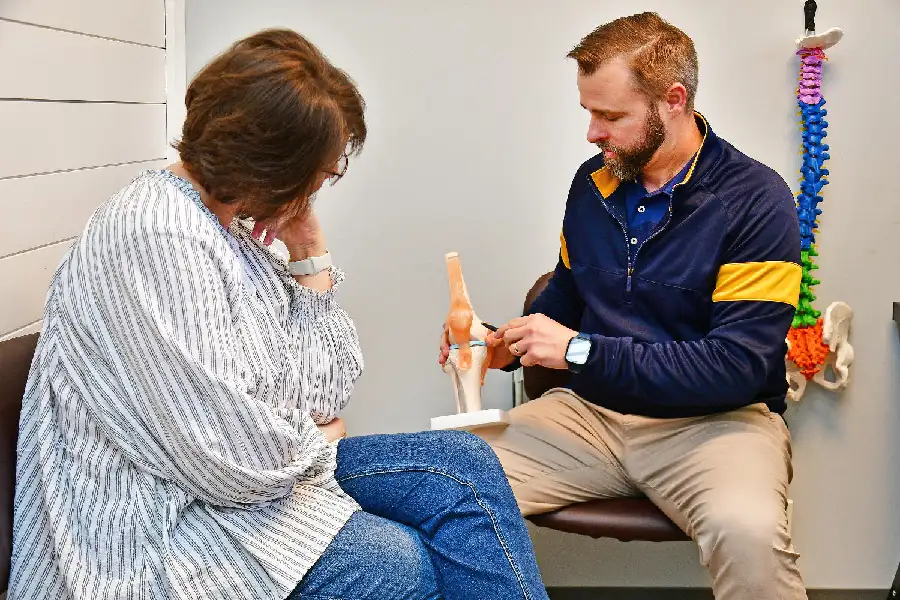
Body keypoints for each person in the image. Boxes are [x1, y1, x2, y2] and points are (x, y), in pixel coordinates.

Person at [8, 28, 551, 600]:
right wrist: (315, 439)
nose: (320, 185)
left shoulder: (234, 229)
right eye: (316, 173)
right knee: (392, 563)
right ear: (266, 164)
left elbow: (325, 389)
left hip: (242, 483)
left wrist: (308, 253)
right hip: (151, 524)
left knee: (462, 466)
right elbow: (232, 459)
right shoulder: (157, 232)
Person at [440, 12, 806, 600]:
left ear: (674, 100)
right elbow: (565, 298)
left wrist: (579, 351)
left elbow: (735, 366)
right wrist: (495, 345)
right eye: (589, 112)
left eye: (610, 116)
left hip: (717, 425)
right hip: (590, 419)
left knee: (749, 534)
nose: (592, 132)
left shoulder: (755, 200)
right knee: (433, 479)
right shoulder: (592, 185)